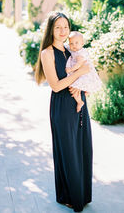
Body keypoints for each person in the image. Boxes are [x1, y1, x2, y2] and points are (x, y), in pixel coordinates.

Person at [35, 12, 93, 212]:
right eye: (58, 27)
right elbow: (56, 86)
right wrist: (79, 73)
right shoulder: (47, 53)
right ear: (51, 29)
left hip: (79, 104)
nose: (62, 31)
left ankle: (82, 194)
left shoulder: (71, 49)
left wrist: (82, 86)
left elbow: (87, 70)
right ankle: (68, 196)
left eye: (65, 27)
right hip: (62, 107)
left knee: (82, 148)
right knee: (67, 152)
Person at [66, 31, 102, 113]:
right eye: (71, 43)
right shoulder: (74, 50)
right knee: (77, 87)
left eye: (76, 43)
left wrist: (70, 69)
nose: (74, 45)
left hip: (84, 73)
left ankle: (80, 102)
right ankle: (86, 93)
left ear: (82, 43)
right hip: (81, 72)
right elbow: (66, 47)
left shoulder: (80, 53)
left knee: (73, 88)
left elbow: (79, 64)